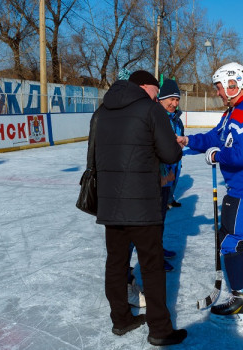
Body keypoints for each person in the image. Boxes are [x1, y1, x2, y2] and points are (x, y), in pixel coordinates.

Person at [93, 70, 187, 346]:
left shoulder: (102, 111)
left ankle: (121, 320)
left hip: (110, 202)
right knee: (152, 266)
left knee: (116, 263)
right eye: (156, 90)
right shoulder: (150, 110)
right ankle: (160, 330)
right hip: (143, 204)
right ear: (144, 87)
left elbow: (94, 154)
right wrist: (176, 146)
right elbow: (169, 154)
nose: (158, 96)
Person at [177, 62, 243, 321]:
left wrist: (217, 155)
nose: (218, 92)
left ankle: (240, 298)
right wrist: (189, 141)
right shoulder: (233, 112)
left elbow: (239, 156)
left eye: (220, 87)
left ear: (233, 85)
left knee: (231, 241)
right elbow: (214, 137)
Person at [158, 79, 183, 272]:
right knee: (154, 220)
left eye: (177, 99)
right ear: (161, 98)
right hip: (158, 174)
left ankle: (157, 248)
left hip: (170, 172)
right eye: (171, 99)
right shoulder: (156, 117)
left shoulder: (176, 119)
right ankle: (153, 256)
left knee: (161, 217)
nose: (174, 103)